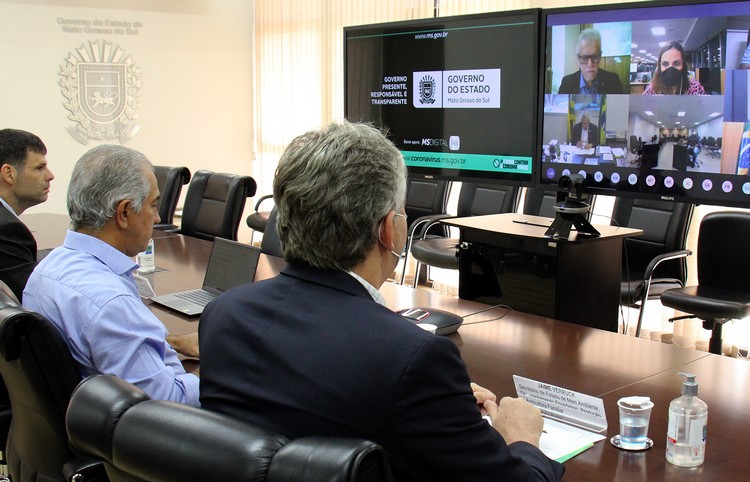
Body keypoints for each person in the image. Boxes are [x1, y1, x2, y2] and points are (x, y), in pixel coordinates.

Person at [199, 121, 564, 481]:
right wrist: (522, 438)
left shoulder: (223, 315)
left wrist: (441, 407)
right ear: (390, 229)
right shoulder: (414, 359)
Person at [23, 145, 200, 406]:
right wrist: (225, 373)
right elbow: (168, 404)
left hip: (80, 424)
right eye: (153, 205)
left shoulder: (47, 270)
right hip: (142, 437)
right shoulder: (109, 302)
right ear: (124, 212)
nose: (158, 216)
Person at [0, 128, 54, 302]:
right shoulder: (7, 230)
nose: (50, 176)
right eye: (40, 167)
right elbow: (39, 299)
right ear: (9, 173)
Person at [558, 28, 624, 95]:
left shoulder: (613, 81)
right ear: (578, 59)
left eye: (594, 57)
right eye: (584, 58)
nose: (590, 64)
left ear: (600, 56)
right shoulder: (567, 83)